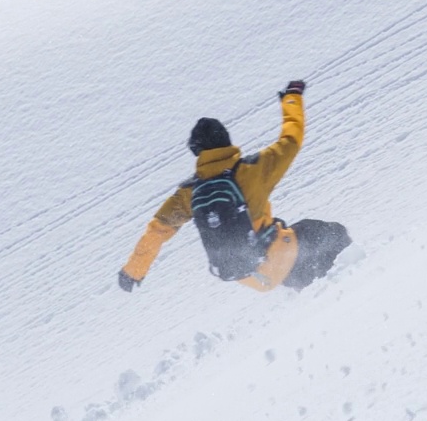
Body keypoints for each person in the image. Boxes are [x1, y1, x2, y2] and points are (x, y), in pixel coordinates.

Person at [118, 80, 351, 293]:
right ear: (227, 141)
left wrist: (133, 271)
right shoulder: (253, 170)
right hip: (282, 256)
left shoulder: (189, 193)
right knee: (328, 232)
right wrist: (292, 97)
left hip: (253, 276)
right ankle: (359, 278)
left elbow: (157, 230)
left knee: (292, 235)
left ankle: (313, 291)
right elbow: (291, 141)